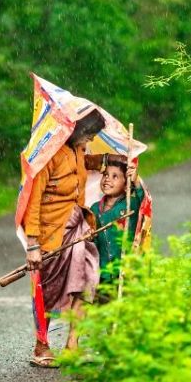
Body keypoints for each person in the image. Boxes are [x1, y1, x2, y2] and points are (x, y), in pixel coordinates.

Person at [22, 109, 127, 367]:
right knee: (48, 289)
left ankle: (72, 345)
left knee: (88, 276)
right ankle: (41, 346)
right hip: (50, 234)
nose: (89, 141)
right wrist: (33, 244)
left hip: (78, 228)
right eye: (89, 136)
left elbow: (86, 162)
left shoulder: (78, 150)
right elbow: (33, 200)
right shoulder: (49, 155)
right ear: (77, 131)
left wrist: (114, 160)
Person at [91, 155, 144, 304]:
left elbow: (146, 203)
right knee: (108, 315)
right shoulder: (95, 209)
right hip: (104, 275)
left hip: (126, 272)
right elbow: (92, 239)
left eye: (115, 176)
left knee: (126, 315)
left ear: (126, 184)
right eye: (106, 175)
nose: (108, 179)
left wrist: (136, 180)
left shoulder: (131, 204)